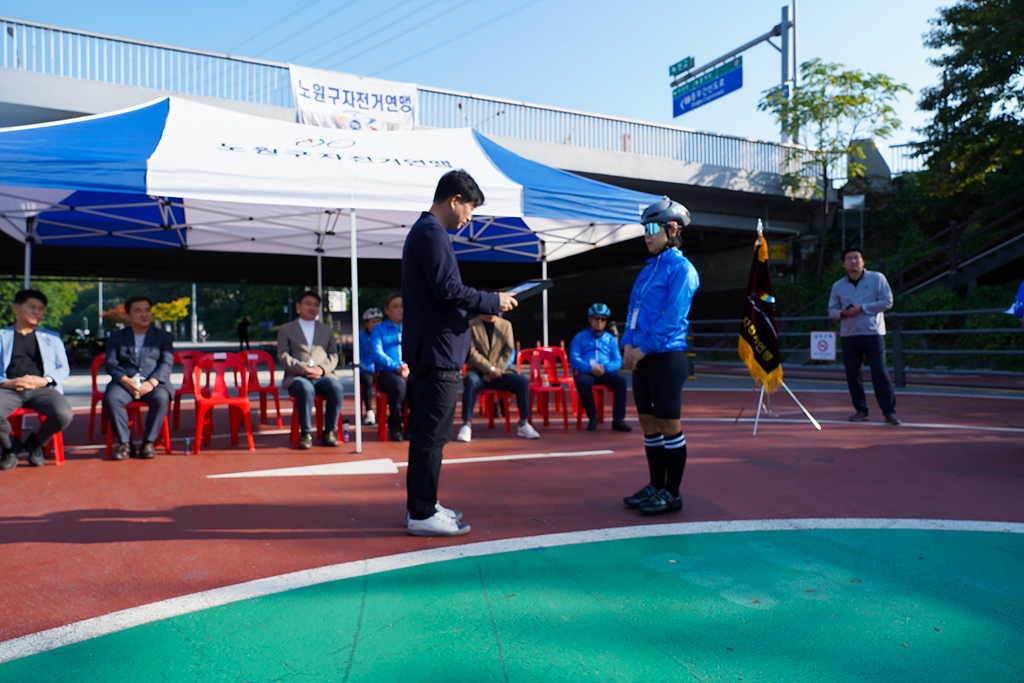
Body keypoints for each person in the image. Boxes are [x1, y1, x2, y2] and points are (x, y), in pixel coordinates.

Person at [401, 169, 517, 537]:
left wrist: (482, 303)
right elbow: (449, 289)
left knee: (428, 435)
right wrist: (492, 300)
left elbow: (444, 291)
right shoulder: (432, 233)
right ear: (454, 200)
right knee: (431, 437)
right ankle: (421, 512)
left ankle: (425, 503)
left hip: (433, 349)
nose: (469, 218)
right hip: (436, 352)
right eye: (469, 209)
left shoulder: (425, 232)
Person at [621, 199, 700, 516]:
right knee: (647, 422)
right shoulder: (647, 270)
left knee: (669, 424)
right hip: (641, 355)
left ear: (673, 230)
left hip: (665, 355)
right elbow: (632, 312)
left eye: (652, 228)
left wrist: (642, 348)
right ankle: (655, 485)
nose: (646, 235)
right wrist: (627, 344)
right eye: (644, 229)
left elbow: (673, 318)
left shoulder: (683, 269)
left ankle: (673, 492)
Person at [0, 290, 74, 470]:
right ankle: (10, 446)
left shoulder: (52, 337)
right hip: (9, 387)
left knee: (64, 415)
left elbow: (63, 368)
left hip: (43, 388)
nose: (37, 312)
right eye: (32, 307)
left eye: (41, 309)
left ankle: (36, 443)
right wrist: (6, 382)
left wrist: (46, 380)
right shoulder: (2, 336)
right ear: (16, 308)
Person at [827, 248, 899, 425]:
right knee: (853, 374)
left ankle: (889, 411)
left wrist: (863, 308)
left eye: (856, 258)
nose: (853, 261)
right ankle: (861, 410)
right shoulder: (838, 286)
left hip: (872, 333)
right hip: (849, 335)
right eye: (849, 259)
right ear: (844, 264)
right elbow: (831, 311)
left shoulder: (877, 279)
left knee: (880, 372)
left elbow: (887, 301)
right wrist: (842, 313)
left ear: (863, 261)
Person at [104, 295, 174, 460]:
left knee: (161, 398)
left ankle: (148, 443)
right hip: (125, 382)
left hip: (153, 382)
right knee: (112, 398)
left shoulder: (163, 336)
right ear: (128, 315)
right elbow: (111, 363)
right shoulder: (117, 337)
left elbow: (166, 362)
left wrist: (152, 381)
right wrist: (124, 380)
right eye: (138, 311)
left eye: (147, 310)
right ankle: (125, 444)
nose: (144, 314)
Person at [456, 312, 539, 442]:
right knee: (471, 382)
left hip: (500, 372)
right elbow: (471, 352)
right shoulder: (471, 325)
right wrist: (489, 369)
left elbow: (508, 350)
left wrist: (496, 370)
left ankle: (523, 424)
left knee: (521, 381)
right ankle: (466, 425)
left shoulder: (506, 325)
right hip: (478, 372)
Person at [277, 290, 345, 449]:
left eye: (315, 305)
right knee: (305, 388)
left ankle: (329, 431)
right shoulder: (286, 329)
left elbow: (334, 354)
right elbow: (283, 355)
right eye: (308, 304)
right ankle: (306, 433)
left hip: (322, 375)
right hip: (298, 376)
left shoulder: (326, 329)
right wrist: (303, 369)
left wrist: (322, 369)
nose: (312, 308)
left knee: (336, 387)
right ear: (298, 306)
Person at [569, 303, 632, 433]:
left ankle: (618, 420)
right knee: (582, 382)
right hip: (587, 372)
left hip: (605, 372)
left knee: (621, 382)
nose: (599, 321)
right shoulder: (579, 337)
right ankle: (593, 416)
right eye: (596, 318)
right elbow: (574, 359)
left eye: (602, 319)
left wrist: (604, 368)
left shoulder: (610, 339)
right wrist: (590, 368)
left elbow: (617, 360)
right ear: (590, 319)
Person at [370, 294, 409, 442]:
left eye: (402, 306)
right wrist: (397, 367)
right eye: (395, 306)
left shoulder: (413, 325)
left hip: (410, 369)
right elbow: (377, 353)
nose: (400, 310)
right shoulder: (379, 329)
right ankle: (395, 424)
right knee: (399, 386)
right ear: (387, 310)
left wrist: (408, 367)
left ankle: (412, 425)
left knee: (420, 383)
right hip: (388, 372)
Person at [358, 308, 383, 425]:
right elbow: (358, 358)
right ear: (366, 323)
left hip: (383, 369)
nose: (376, 324)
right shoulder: (361, 337)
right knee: (366, 379)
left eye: (379, 321)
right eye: (373, 321)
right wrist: (370, 367)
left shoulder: (385, 335)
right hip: (367, 369)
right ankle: (369, 411)